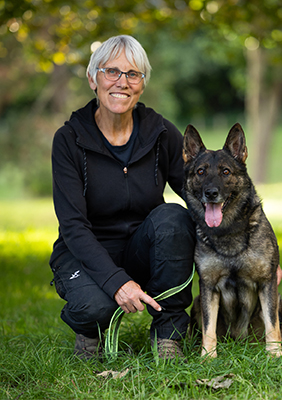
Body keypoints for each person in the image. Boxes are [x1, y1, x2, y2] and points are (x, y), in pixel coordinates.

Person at [49, 35, 196, 361]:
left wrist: (260, 250)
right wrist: (116, 283)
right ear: (92, 79)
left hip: (142, 249)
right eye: (111, 72)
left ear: (142, 84)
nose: (122, 82)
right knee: (95, 306)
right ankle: (89, 332)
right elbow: (72, 226)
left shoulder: (160, 133)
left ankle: (168, 337)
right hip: (85, 253)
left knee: (174, 217)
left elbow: (200, 195)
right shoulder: (69, 140)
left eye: (133, 74)